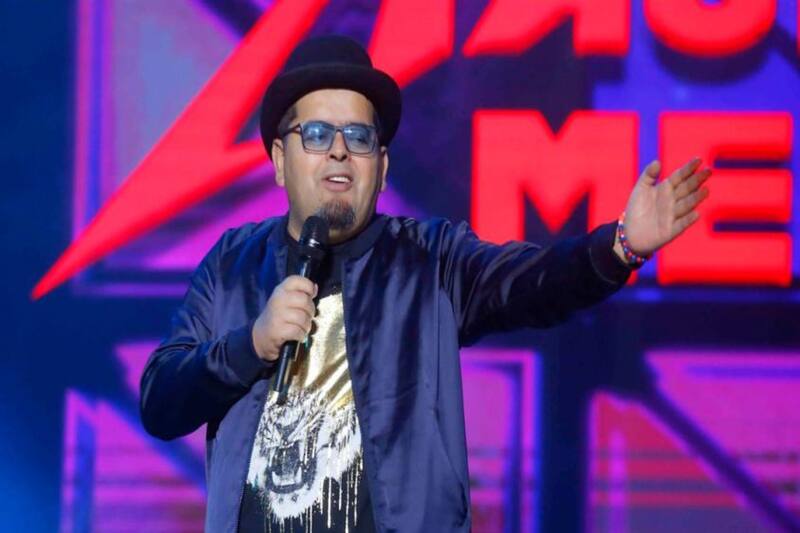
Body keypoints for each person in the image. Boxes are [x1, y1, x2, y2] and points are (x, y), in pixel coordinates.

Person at [139, 35, 711, 533]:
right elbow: (161, 401)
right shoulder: (232, 264)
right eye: (316, 133)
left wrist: (619, 246)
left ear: (382, 168)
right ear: (279, 159)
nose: (339, 149)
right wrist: (252, 344)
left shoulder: (428, 260)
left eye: (359, 136)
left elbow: (534, 283)